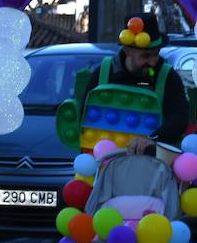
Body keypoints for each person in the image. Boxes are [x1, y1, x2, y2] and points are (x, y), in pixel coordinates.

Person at [71, 12, 189, 153]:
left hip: (149, 162)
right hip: (105, 160)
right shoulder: (104, 72)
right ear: (127, 51)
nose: (152, 62)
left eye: (156, 54)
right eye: (145, 56)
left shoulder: (168, 76)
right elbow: (85, 114)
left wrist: (152, 139)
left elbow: (179, 118)